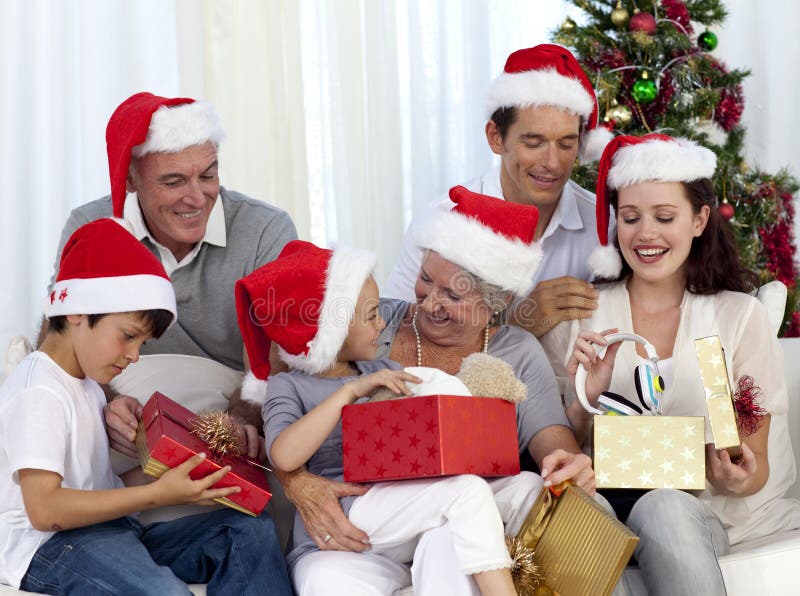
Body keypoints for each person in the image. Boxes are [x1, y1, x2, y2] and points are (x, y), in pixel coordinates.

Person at [253, 187, 596, 594]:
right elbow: (292, 355)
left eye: (453, 294)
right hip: (368, 520)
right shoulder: (371, 330)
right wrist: (296, 482)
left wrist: (570, 459)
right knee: (325, 579)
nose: (429, 302)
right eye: (425, 279)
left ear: (497, 301)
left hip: (448, 520)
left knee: (516, 492)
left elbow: (552, 447)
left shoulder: (515, 350)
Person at [540, 134, 800, 595]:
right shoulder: (585, 314)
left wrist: (735, 476)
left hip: (707, 517)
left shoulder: (737, 316)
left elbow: (753, 466)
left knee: (664, 505)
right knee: (585, 524)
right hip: (607, 509)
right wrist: (588, 397)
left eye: (664, 217)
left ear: (700, 220)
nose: (646, 235)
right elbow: (556, 451)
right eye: (630, 218)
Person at [0, 218, 292, 595]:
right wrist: (160, 494)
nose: (134, 356)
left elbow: (101, 490)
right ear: (75, 312)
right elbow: (46, 510)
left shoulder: (85, 382)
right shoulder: (38, 391)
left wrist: (180, 468)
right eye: (128, 337)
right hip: (48, 548)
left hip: (110, 530)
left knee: (246, 531)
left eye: (142, 343)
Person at [47, 92, 297, 472]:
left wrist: (244, 417)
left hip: (225, 413)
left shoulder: (265, 229)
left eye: (208, 174)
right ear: (131, 178)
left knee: (246, 529)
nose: (196, 198)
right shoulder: (91, 228)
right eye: (174, 180)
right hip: (122, 414)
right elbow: (56, 342)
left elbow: (278, 359)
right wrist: (106, 402)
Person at [384, 44, 614, 338]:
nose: (552, 163)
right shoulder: (443, 220)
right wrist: (512, 325)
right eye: (533, 143)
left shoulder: (603, 225)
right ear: (496, 138)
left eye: (567, 144)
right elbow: (394, 337)